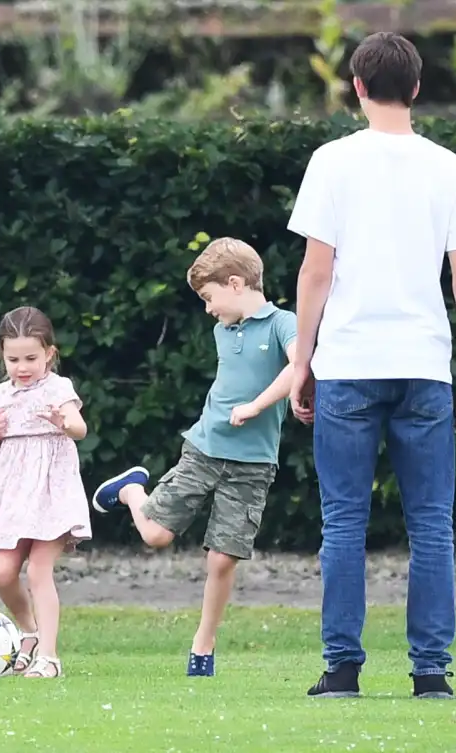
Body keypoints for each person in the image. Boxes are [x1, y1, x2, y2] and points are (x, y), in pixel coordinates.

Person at [286, 32, 456, 699]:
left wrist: (300, 358)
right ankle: (430, 671)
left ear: (358, 87)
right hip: (424, 365)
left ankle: (342, 667)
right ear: (419, 88)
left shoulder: (331, 162)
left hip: (347, 359)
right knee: (431, 520)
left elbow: (317, 271)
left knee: (343, 519)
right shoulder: (449, 168)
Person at [90, 237, 296, 677]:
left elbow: (300, 367)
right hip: (203, 450)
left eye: (208, 297)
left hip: (254, 463)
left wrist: (257, 406)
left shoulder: (283, 324)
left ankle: (203, 647)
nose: (207, 309)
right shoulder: (224, 330)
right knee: (156, 537)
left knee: (222, 558)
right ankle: (130, 491)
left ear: (236, 283)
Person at [0, 305, 92, 679]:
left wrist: (67, 423)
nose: (22, 367)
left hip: (51, 492)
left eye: (31, 357)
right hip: (12, 494)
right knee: (2, 571)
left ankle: (49, 657)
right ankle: (27, 631)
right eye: (13, 359)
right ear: (2, 355)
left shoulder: (58, 389)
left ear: (50, 354)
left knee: (40, 572)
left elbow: (79, 428)